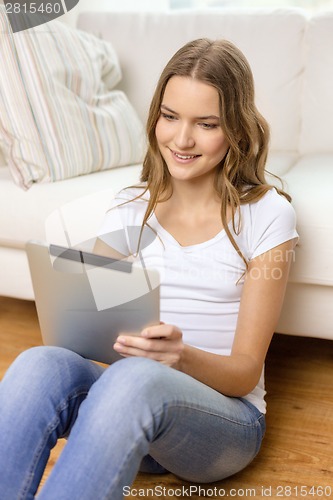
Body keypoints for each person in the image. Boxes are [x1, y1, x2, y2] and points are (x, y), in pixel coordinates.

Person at [0, 38, 298, 499]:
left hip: (223, 424)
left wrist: (180, 357)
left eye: (207, 124)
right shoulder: (131, 209)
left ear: (236, 130)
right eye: (170, 116)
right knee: (40, 364)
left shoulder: (267, 215)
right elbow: (84, 313)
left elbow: (244, 372)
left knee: (136, 378)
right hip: (127, 414)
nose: (181, 139)